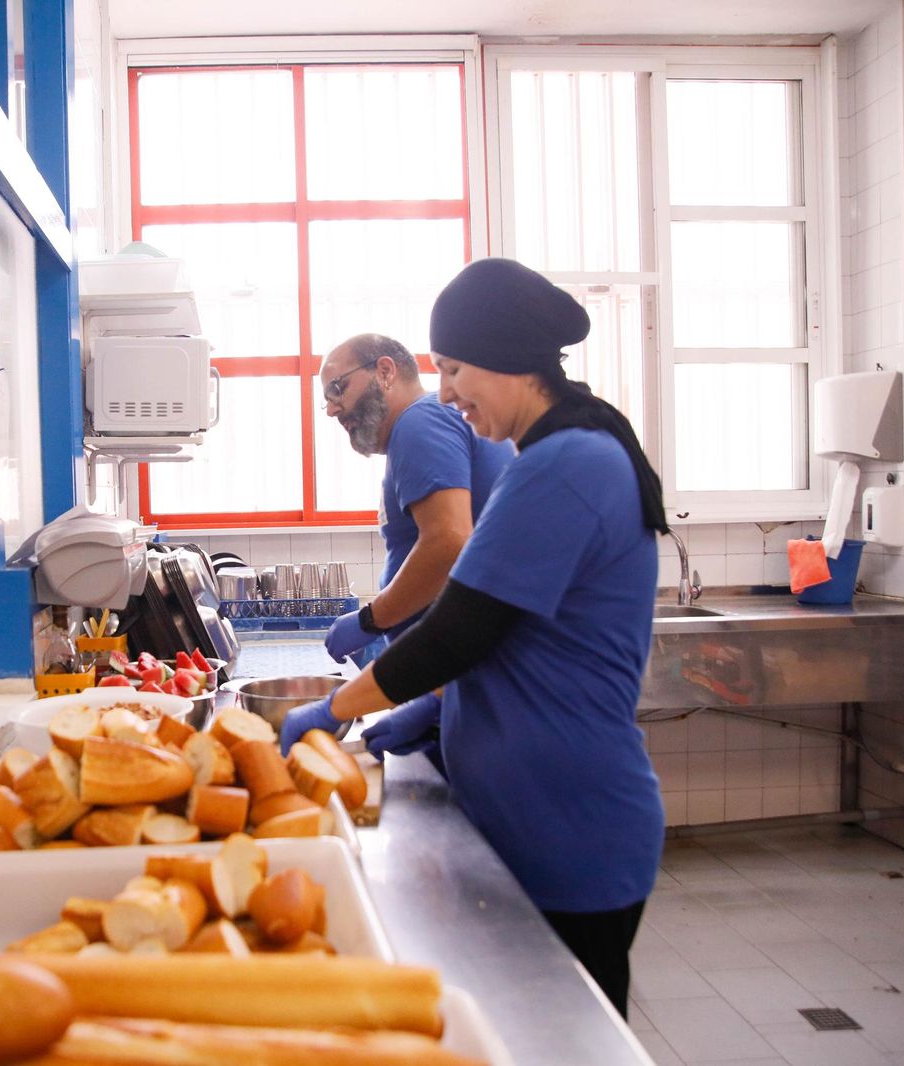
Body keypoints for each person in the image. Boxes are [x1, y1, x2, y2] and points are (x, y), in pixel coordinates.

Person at [280, 258, 667, 1015]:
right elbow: (511, 636)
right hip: (532, 824)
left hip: (571, 826)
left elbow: (460, 626)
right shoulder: (550, 455)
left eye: (456, 369)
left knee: (566, 1043)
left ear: (512, 357)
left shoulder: (569, 463)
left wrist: (341, 708)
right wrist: (431, 712)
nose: (448, 392)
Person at [318, 335, 514, 666]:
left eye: (338, 388)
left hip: (468, 663)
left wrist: (371, 620)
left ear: (384, 371)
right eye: (327, 399)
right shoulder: (434, 420)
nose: (332, 409)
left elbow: (449, 541)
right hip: (464, 658)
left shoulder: (420, 422)